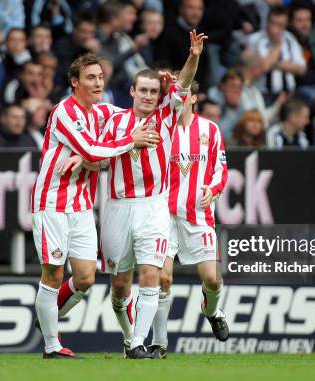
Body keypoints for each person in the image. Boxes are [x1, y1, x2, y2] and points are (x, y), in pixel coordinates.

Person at [30, 53, 160, 359]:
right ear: (75, 82)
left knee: (86, 277)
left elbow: (123, 125)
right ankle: (52, 345)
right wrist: (129, 141)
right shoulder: (65, 111)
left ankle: (47, 313)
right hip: (53, 202)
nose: (98, 82)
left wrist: (162, 87)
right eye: (90, 77)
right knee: (52, 273)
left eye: (100, 77)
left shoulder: (102, 113)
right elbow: (93, 148)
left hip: (82, 204)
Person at [92, 30, 205, 359]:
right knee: (119, 286)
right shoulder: (114, 121)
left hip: (154, 206)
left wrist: (193, 55)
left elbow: (183, 83)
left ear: (160, 95)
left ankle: (140, 342)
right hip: (117, 206)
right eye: (143, 90)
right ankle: (130, 338)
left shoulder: (167, 116)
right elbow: (97, 154)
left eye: (154, 91)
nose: (148, 96)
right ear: (132, 91)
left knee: (152, 272)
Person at [149, 80, 228, 359]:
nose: (178, 100)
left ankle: (212, 311)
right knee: (163, 279)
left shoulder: (210, 130)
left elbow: (220, 168)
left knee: (213, 280)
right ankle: (159, 344)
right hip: (164, 215)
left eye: (184, 96)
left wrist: (212, 188)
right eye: (174, 96)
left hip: (198, 214)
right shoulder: (161, 128)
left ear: (194, 99)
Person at [247, 6, 305, 104]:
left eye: (281, 25)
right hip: (263, 94)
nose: (277, 28)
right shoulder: (255, 40)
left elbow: (301, 68)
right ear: (267, 22)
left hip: (288, 92)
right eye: (274, 23)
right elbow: (263, 67)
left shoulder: (290, 39)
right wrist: (278, 45)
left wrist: (274, 63)